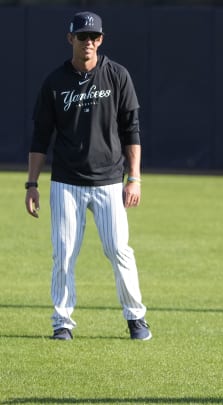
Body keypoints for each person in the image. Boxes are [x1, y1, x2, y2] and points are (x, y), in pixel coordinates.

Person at [25, 11, 151, 341]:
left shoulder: (117, 76)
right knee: (64, 253)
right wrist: (31, 183)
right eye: (82, 37)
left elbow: (131, 130)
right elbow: (40, 136)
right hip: (66, 182)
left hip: (109, 180)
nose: (89, 43)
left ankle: (136, 318)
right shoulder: (55, 83)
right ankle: (62, 321)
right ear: (70, 39)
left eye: (94, 37)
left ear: (101, 40)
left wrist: (134, 177)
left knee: (118, 249)